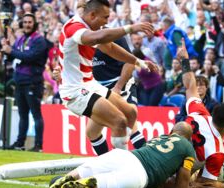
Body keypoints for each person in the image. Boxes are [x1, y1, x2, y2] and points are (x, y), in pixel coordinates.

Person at [57, 0, 157, 151]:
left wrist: (137, 61)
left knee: (130, 113)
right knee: (119, 121)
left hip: (90, 84)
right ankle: (122, 165)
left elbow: (110, 48)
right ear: (92, 15)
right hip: (75, 91)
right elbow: (96, 38)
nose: (107, 21)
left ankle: (112, 161)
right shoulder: (74, 28)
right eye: (105, 17)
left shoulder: (91, 28)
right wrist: (130, 28)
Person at [44, 122, 211, 188]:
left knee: (88, 168)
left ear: (171, 132)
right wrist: (194, 186)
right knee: (107, 185)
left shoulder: (159, 138)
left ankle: (70, 177)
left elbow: (164, 184)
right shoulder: (187, 148)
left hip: (124, 155)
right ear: (188, 139)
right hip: (140, 174)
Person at [177, 39, 224, 188]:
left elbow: (189, 85)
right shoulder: (217, 152)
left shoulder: (200, 112)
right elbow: (204, 184)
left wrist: (184, 59)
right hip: (168, 174)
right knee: (177, 185)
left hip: (157, 152)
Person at [1, 13, 49, 152]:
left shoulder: (39, 40)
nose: (27, 24)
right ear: (22, 24)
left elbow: (30, 57)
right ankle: (20, 143)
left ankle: (38, 145)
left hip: (33, 82)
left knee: (35, 114)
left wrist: (12, 51)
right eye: (25, 22)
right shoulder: (21, 39)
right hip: (20, 81)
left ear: (34, 24)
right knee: (23, 115)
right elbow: (14, 56)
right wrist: (7, 50)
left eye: (30, 22)